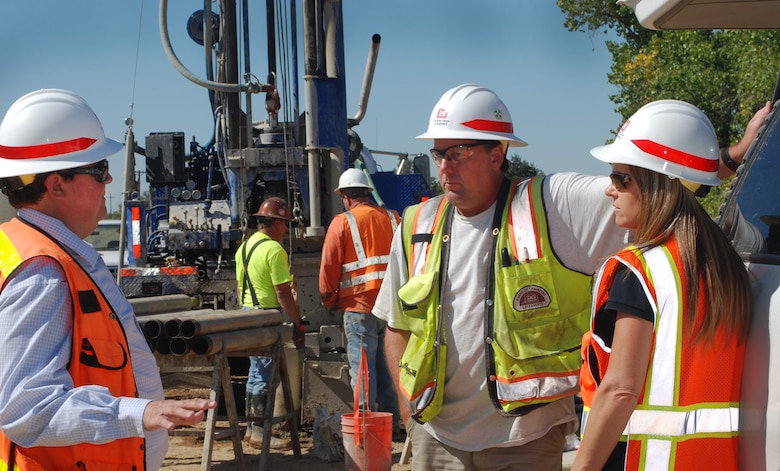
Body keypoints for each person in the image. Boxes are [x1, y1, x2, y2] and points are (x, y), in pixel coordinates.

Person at [371, 83, 760, 471]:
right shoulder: (416, 224)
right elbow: (396, 325)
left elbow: (665, 179)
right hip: (437, 440)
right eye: (438, 153)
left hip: (525, 440)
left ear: (497, 154)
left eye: (458, 152)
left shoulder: (552, 204)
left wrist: (729, 157)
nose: (444, 166)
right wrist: (411, 417)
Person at [0, 89, 216, 470]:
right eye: (98, 169)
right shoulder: (43, 272)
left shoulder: (37, 251)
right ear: (56, 185)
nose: (110, 179)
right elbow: (26, 406)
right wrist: (139, 413)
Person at [572, 100, 753, 471]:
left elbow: (620, 391)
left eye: (622, 178)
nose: (610, 190)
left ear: (658, 184)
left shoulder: (637, 271)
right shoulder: (728, 267)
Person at [319, 167, 401, 435]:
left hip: (359, 309)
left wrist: (329, 299)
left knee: (363, 370)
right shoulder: (393, 218)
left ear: (346, 197)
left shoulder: (342, 223)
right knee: (389, 367)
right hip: (390, 309)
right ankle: (393, 423)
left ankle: (366, 425)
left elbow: (329, 266)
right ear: (368, 192)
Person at [235, 196, 304, 450]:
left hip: (247, 312)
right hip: (266, 315)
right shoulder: (274, 250)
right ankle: (261, 433)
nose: (286, 229)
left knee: (256, 372)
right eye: (285, 223)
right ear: (275, 222)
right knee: (265, 375)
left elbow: (240, 285)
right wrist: (298, 322)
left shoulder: (244, 247)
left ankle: (252, 429)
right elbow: (283, 292)